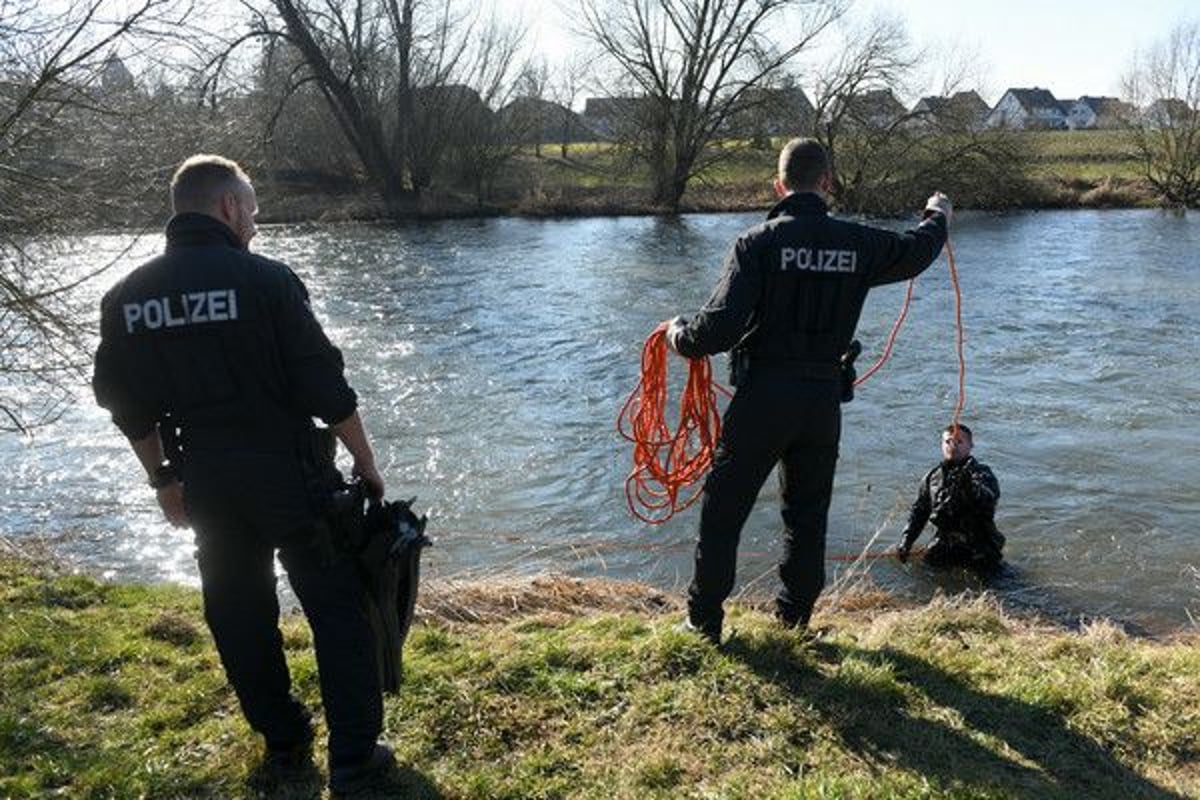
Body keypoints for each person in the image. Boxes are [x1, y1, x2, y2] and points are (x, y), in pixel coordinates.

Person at [92, 154, 395, 794]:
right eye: (252, 211)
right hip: (289, 474)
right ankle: (354, 756)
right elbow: (325, 386)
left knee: (236, 610)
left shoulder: (127, 298)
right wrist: (366, 462)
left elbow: (126, 406)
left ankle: (283, 738)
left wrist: (163, 480)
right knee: (337, 606)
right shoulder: (267, 281)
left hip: (205, 479)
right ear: (228, 207)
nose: (255, 223)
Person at [664, 137, 952, 644]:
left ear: (779, 186)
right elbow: (917, 251)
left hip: (763, 397)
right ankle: (794, 623)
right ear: (827, 183)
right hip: (821, 402)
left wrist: (677, 335)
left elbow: (716, 332)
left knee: (723, 510)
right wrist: (937, 215)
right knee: (807, 516)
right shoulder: (858, 243)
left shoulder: (756, 243)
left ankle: (703, 623)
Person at [897, 423, 1005, 572]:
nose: (953, 445)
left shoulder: (982, 473)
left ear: (970, 445)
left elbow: (989, 499)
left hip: (978, 544)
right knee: (922, 574)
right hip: (944, 542)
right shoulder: (932, 477)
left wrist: (969, 486)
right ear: (942, 445)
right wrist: (906, 541)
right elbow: (920, 511)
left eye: (959, 442)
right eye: (948, 441)